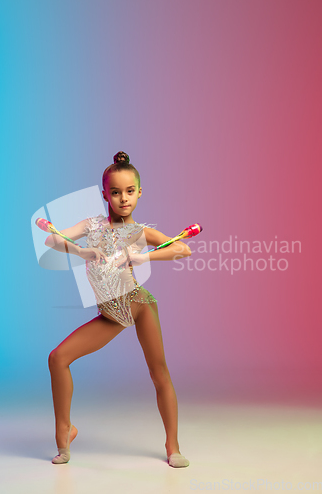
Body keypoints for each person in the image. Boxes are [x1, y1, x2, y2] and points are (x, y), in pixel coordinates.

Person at [45, 151, 192, 468]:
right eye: (115, 192)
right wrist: (83, 250)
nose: (123, 199)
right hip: (110, 315)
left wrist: (143, 257)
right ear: (105, 195)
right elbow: (52, 241)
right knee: (58, 359)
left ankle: (173, 445)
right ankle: (65, 431)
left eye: (129, 191)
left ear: (140, 192)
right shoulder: (94, 226)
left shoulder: (140, 232)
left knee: (159, 373)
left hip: (138, 306)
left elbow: (183, 248)